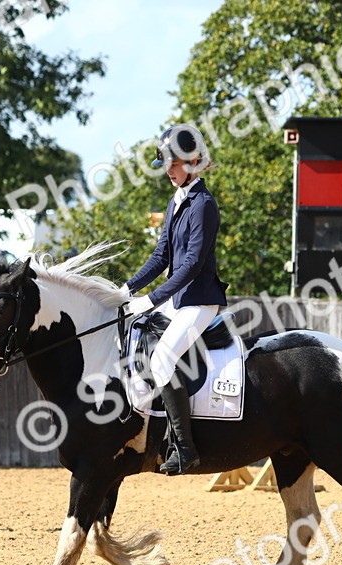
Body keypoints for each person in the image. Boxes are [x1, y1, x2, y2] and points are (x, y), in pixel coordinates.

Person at [122, 124, 228, 475]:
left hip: (199, 300)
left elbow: (191, 264)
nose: (168, 170)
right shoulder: (177, 201)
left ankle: (185, 448)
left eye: (174, 164)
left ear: (194, 160)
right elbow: (161, 257)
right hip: (178, 298)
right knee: (133, 333)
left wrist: (151, 298)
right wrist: (126, 289)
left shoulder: (203, 205)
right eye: (166, 164)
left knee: (164, 359)